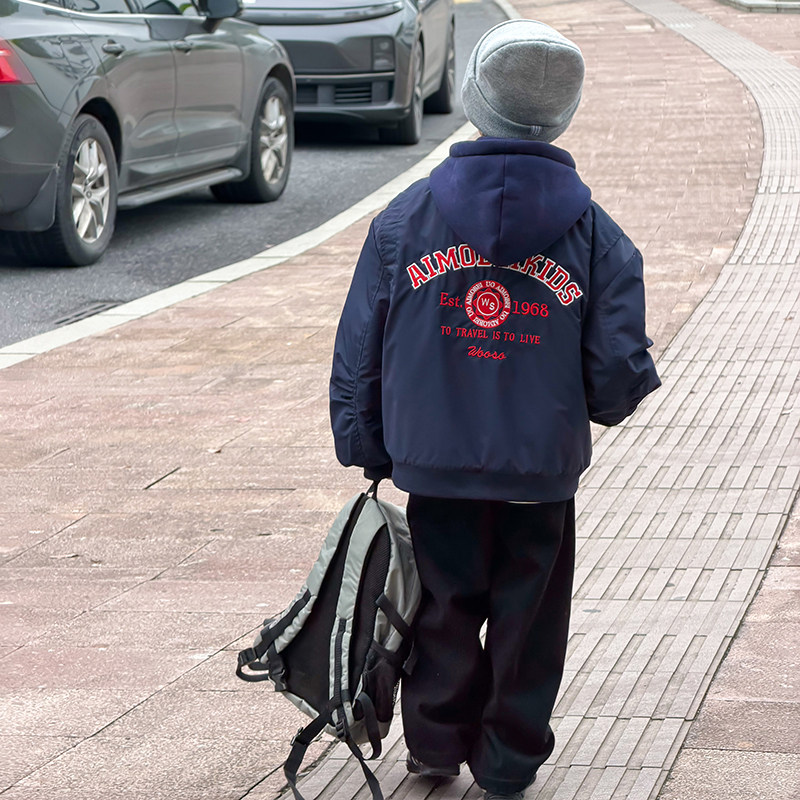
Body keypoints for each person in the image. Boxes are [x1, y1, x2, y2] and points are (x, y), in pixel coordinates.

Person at [329, 18, 661, 800]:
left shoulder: (405, 221)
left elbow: (359, 351)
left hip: (436, 467)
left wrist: (367, 443)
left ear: (476, 96)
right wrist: (608, 401)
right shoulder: (593, 234)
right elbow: (616, 367)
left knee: (441, 607)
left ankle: (435, 747)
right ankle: (508, 764)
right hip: (537, 472)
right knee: (530, 618)